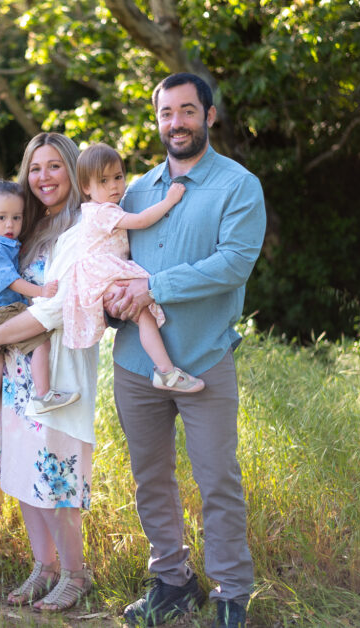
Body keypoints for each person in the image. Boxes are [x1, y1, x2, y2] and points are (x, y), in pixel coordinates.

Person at [107, 73, 265, 628]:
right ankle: (172, 581)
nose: (176, 122)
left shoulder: (238, 186)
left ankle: (230, 592)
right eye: (167, 113)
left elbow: (234, 264)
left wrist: (153, 288)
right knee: (150, 478)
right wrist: (109, 301)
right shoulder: (134, 193)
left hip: (204, 356)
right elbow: (109, 265)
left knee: (217, 477)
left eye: (187, 111)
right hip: (135, 363)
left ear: (209, 115)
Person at [0, 133, 97, 612]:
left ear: (72, 170)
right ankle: (43, 567)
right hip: (16, 374)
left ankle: (74, 574)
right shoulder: (24, 229)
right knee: (28, 474)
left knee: (58, 476)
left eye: (54, 167)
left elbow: (58, 307)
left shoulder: (84, 228)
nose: (43, 177)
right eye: (35, 168)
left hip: (57, 374)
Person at [64, 143, 202, 392]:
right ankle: (166, 371)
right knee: (143, 312)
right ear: (86, 187)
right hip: (102, 275)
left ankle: (165, 370)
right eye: (103, 181)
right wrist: (170, 200)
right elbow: (140, 221)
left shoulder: (105, 208)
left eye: (118, 177)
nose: (114, 186)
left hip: (103, 274)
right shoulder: (102, 212)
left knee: (144, 314)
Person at [0, 180, 74, 437]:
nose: (10, 225)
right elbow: (10, 281)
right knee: (40, 342)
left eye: (16, 218)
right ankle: (43, 394)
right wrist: (40, 292)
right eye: (1, 217)